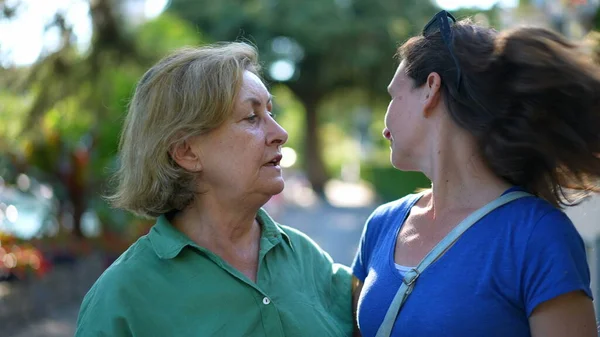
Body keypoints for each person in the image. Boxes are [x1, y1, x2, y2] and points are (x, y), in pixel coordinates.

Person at [74, 42, 353, 337]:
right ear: (187, 152)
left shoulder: (306, 257)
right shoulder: (121, 300)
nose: (280, 134)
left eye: (271, 114)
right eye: (251, 117)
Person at [352, 10, 600, 337]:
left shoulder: (536, 235)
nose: (384, 125)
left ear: (430, 89)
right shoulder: (382, 224)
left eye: (392, 96)